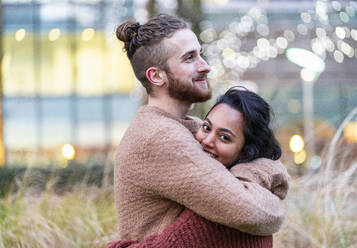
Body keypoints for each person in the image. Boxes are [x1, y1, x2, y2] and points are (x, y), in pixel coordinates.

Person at [113, 14, 286, 244]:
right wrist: (260, 175)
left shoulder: (188, 128)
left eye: (200, 54)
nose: (205, 66)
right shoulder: (160, 136)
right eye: (189, 58)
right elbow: (256, 213)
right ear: (156, 76)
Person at [108, 87, 289, 247]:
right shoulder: (248, 192)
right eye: (206, 127)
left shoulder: (228, 206)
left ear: (244, 152)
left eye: (225, 138)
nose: (207, 141)